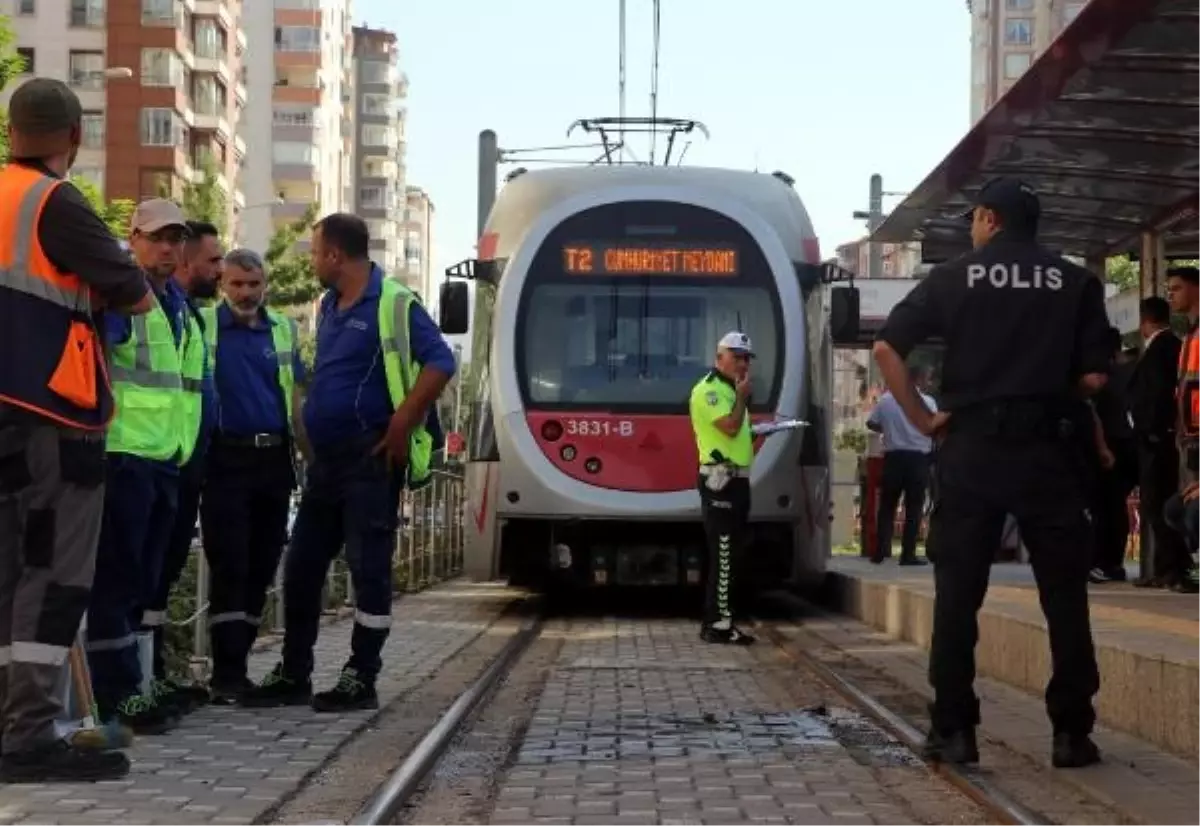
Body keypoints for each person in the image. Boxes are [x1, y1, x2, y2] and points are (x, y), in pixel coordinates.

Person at [872, 176, 1108, 769]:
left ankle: (954, 730)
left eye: (975, 220)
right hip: (1048, 453)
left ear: (989, 219)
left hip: (971, 451)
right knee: (1064, 596)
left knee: (958, 596)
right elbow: (1093, 379)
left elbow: (885, 349)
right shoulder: (1075, 281)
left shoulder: (953, 277)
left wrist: (924, 420)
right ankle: (1071, 735)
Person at [0, 78, 153, 782]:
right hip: (51, 419)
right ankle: (29, 736)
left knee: (7, 576)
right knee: (55, 574)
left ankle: (14, 725)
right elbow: (138, 294)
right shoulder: (52, 202)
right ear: (74, 137)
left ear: (10, 131)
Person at [241, 213, 454, 711]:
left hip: (369, 457)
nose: (313, 261)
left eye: (315, 252)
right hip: (327, 464)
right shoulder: (331, 305)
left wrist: (402, 422)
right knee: (302, 567)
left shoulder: (395, 302)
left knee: (369, 569)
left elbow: (441, 360)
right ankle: (295, 672)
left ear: (335, 255)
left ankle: (362, 676)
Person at [86, 199, 206, 735]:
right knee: (117, 579)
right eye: (156, 237)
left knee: (146, 581)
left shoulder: (176, 303)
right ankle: (115, 694)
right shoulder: (122, 301)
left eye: (175, 238)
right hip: (124, 456)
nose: (166, 247)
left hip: (165, 461)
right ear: (132, 239)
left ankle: (137, 684)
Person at [198, 248, 308, 703]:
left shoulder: (283, 330)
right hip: (225, 459)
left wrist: (309, 459)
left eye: (254, 284)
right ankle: (226, 673)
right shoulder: (203, 327)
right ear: (223, 284)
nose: (246, 293)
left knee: (262, 564)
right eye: (237, 285)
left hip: (273, 461)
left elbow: (298, 400)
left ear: (265, 285)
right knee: (230, 565)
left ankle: (238, 669)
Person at [142, 220, 224, 713]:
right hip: (153, 456)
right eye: (213, 261)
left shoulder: (186, 313)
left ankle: (152, 674)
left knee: (163, 574)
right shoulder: (155, 308)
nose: (220, 269)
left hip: (183, 458)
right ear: (188, 262)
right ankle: (137, 683)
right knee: (142, 573)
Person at [688, 331, 757, 646]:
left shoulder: (731, 391)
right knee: (725, 553)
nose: (742, 364)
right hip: (721, 482)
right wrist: (743, 397)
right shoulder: (711, 392)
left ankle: (721, 620)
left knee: (733, 553)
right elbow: (728, 428)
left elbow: (739, 433)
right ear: (719, 358)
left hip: (737, 480)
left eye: (746, 358)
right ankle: (718, 624)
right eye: (736, 357)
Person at [866, 365, 935, 566]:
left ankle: (880, 552)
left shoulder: (887, 400)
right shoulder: (928, 403)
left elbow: (871, 423)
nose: (928, 383)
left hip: (894, 459)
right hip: (918, 460)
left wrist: (888, 428)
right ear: (919, 379)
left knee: (887, 506)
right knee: (914, 508)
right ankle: (908, 554)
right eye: (927, 378)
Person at [1160, 268, 1200, 592]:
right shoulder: (1188, 336)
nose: (1170, 295)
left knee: (1192, 513)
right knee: (1176, 511)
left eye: (1176, 288)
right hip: (1189, 444)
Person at [1088, 327, 1138, 583]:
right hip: (1135, 445)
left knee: (1105, 508)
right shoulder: (1133, 370)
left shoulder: (1100, 377)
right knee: (1116, 508)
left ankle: (1103, 562)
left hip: (1111, 446)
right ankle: (1112, 563)